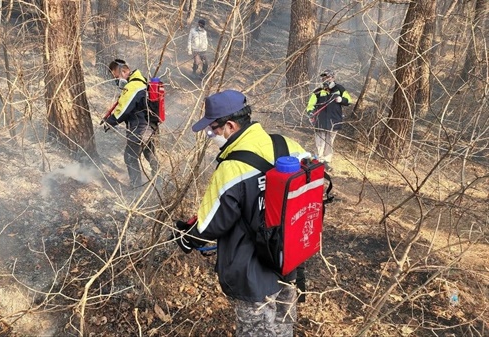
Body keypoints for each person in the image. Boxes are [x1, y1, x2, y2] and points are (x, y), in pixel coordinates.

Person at [175, 89, 309, 336]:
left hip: (254, 275)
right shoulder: (288, 145)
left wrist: (185, 238)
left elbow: (210, 224)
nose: (210, 134)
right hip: (289, 261)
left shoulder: (232, 167)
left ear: (230, 126)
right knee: (282, 329)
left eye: (213, 128)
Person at [103, 59, 159, 188]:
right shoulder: (141, 81)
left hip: (140, 129)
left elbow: (124, 108)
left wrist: (110, 121)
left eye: (116, 76)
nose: (116, 80)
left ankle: (136, 187)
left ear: (124, 71)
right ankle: (159, 180)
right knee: (149, 154)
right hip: (150, 127)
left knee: (129, 156)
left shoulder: (133, 86)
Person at [306, 69, 352, 172]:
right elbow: (310, 105)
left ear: (333, 78)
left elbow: (349, 101)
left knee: (329, 141)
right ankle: (318, 160)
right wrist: (310, 113)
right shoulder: (317, 91)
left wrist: (342, 100)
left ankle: (326, 161)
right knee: (319, 141)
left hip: (333, 121)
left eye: (327, 77)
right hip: (320, 120)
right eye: (323, 78)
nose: (325, 79)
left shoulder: (339, 89)